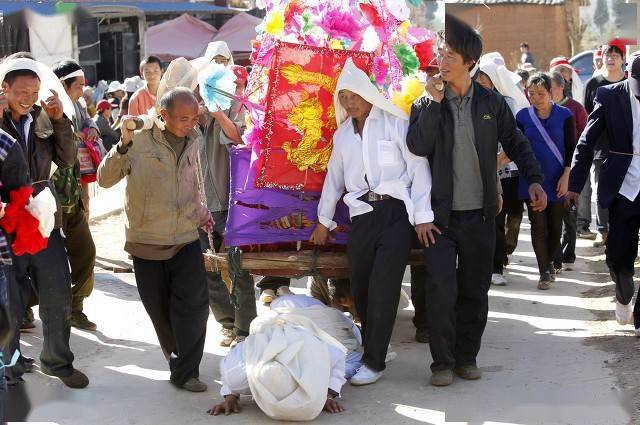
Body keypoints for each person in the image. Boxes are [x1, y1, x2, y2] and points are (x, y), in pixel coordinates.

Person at [407, 14, 545, 387]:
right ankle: (441, 363)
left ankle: (466, 357)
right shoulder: (425, 102)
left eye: (451, 54)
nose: (442, 59)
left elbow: (516, 142)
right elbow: (417, 146)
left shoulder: (491, 102)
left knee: (473, 289)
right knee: (440, 289)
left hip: (482, 215)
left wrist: (534, 179)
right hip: (439, 217)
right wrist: (433, 104)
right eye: (441, 52)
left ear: (470, 62)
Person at [310, 58, 434, 386]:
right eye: (344, 97)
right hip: (361, 216)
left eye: (355, 95)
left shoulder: (394, 123)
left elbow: (418, 169)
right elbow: (334, 178)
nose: (349, 103)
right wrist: (323, 219)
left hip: (395, 214)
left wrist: (422, 216)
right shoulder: (342, 136)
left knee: (384, 287)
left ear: (368, 94)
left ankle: (374, 361)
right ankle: (374, 346)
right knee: (361, 287)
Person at [97, 88, 211, 392]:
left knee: (195, 305)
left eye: (194, 117)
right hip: (147, 239)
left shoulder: (195, 138)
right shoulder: (139, 138)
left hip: (186, 235)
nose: (190, 123)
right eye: (183, 118)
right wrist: (123, 143)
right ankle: (178, 360)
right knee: (160, 312)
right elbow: (104, 179)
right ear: (163, 115)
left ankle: (187, 372)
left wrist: (201, 212)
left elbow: (192, 180)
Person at [0, 57, 89, 388]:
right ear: (4, 89)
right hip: (7, 221)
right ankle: (9, 367)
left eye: (34, 92)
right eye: (21, 91)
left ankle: (57, 362)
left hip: (42, 217)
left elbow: (66, 159)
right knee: (9, 297)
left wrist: (60, 122)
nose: (28, 97)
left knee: (56, 289)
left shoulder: (43, 118)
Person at [566, 55, 640, 334]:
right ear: (626, 74)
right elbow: (586, 143)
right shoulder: (609, 95)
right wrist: (574, 185)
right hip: (622, 185)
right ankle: (623, 294)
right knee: (619, 254)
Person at [209, 295, 356, 420]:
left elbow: (340, 354)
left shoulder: (315, 354)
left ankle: (286, 295)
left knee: (352, 342)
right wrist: (230, 395)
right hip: (278, 317)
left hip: (308, 319)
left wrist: (329, 394)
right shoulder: (237, 377)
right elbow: (231, 363)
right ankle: (283, 295)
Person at [516, 73, 576, 289]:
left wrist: (567, 176)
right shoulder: (522, 117)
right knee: (538, 225)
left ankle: (551, 261)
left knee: (555, 226)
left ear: (551, 93)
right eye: (531, 93)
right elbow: (517, 149)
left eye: (541, 93)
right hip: (532, 180)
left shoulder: (565, 115)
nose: (536, 98)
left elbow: (572, 148)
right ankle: (543, 271)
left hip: (558, 178)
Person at [474, 52, 529, 286]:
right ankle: (494, 266)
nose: (481, 80)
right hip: (485, 170)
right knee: (494, 218)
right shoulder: (473, 101)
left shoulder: (507, 103)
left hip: (509, 169)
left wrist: (501, 159)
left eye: (484, 76)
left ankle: (502, 256)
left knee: (511, 216)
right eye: (478, 76)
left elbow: (516, 136)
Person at [52, 60, 99, 331]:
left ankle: (75, 307)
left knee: (86, 252)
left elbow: (89, 119)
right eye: (78, 85)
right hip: (51, 200)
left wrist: (90, 128)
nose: (82, 91)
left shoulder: (78, 107)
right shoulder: (44, 112)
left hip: (73, 196)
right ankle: (22, 308)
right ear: (62, 84)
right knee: (47, 263)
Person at [578, 43, 627, 246]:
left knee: (625, 191)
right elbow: (586, 117)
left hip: (628, 149)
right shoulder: (593, 84)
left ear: (623, 59)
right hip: (601, 148)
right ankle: (603, 230)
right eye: (608, 54)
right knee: (601, 190)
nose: (611, 57)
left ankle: (623, 230)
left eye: (616, 54)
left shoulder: (630, 82)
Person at [549, 71, 587, 273]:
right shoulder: (543, 109)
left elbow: (585, 135)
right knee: (553, 214)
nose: (548, 92)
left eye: (551, 88)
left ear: (561, 87)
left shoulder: (575, 108)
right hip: (551, 168)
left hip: (571, 167)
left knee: (569, 213)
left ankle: (569, 255)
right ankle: (555, 257)